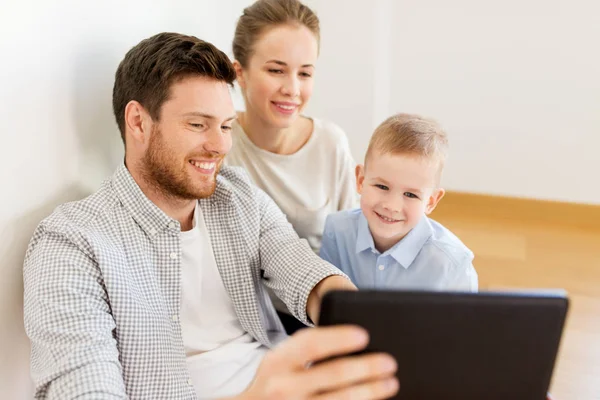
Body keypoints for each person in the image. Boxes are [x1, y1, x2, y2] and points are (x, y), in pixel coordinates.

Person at [22, 32, 399, 399]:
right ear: (138, 121)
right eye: (198, 124)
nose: (219, 146)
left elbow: (299, 267)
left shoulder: (237, 196)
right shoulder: (71, 243)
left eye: (225, 126)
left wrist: (350, 311)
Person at [226, 0, 358, 254]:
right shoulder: (220, 144)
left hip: (321, 291)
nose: (292, 90)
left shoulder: (330, 144)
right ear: (240, 73)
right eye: (276, 70)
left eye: (305, 74)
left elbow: (351, 248)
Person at [320, 113, 478, 291]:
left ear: (431, 201)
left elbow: (466, 319)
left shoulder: (453, 265)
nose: (391, 206)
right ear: (360, 180)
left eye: (410, 195)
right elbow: (327, 302)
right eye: (382, 186)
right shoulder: (336, 231)